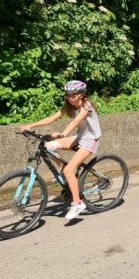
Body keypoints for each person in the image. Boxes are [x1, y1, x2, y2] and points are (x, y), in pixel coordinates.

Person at [19, 80, 101, 222]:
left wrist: (62, 134)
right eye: (68, 95)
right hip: (80, 137)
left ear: (81, 94)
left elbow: (74, 122)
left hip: (91, 140)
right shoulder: (69, 107)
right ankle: (62, 167)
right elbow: (52, 118)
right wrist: (30, 125)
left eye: (73, 95)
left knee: (69, 171)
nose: (70, 97)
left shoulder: (87, 106)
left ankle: (78, 203)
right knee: (47, 145)